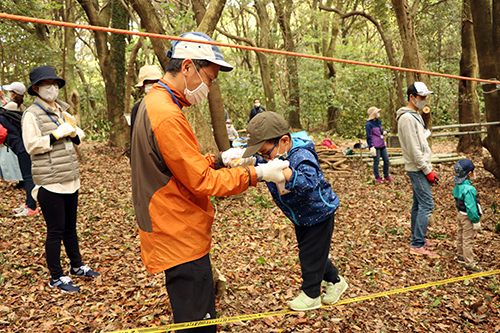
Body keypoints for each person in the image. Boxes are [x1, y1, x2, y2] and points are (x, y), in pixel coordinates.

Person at [130, 32, 289, 332]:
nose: (210, 87)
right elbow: (201, 182)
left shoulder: (155, 102)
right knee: (198, 325)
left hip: (173, 227)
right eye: (210, 78)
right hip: (179, 235)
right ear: (187, 67)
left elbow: (177, 167)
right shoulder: (166, 114)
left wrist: (218, 158)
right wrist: (257, 174)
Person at [242, 112, 348, 311]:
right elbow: (265, 162)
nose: (264, 158)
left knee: (309, 255)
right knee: (315, 253)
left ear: (284, 141)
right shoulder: (275, 153)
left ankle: (311, 294)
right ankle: (335, 281)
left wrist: (285, 171)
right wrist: (252, 162)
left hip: (319, 212)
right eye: (261, 155)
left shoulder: (301, 155)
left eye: (265, 153)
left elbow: (309, 181)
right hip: (300, 214)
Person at [22, 66, 99, 292]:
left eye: (55, 83)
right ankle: (56, 276)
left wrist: (74, 133)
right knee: (55, 230)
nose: (52, 88)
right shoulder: (31, 114)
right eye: (47, 84)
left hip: (70, 178)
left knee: (70, 228)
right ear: (36, 88)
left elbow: (78, 136)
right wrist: (56, 134)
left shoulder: (62, 111)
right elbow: (31, 146)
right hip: (50, 181)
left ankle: (77, 266)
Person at [396, 82, 439, 258]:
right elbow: (413, 149)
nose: (423, 100)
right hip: (417, 168)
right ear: (412, 97)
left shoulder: (416, 116)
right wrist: (427, 170)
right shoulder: (406, 118)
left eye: (425, 97)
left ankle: (417, 237)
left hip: (420, 166)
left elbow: (419, 141)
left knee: (419, 203)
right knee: (427, 204)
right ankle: (417, 244)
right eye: (421, 97)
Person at [0, 82, 38, 216]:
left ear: (14, 93)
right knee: (27, 176)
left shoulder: (11, 105)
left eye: (10, 91)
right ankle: (28, 203)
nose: (8, 93)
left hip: (22, 146)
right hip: (23, 145)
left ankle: (32, 208)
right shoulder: (21, 106)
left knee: (28, 177)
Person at [453, 159, 483, 272]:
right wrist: (475, 220)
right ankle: (469, 263)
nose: (474, 174)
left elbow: (457, 201)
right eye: (473, 172)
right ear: (469, 173)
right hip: (467, 218)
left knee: (460, 235)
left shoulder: (458, 186)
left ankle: (461, 255)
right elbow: (471, 207)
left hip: (460, 214)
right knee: (467, 240)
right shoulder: (469, 189)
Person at [130, 65, 163, 140]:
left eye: (155, 81)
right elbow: (134, 137)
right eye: (149, 82)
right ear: (143, 86)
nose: (153, 85)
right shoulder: (137, 108)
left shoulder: (169, 104)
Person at [365, 106, 394, 182]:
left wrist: (384, 132)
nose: (378, 114)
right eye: (377, 112)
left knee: (386, 160)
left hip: (382, 144)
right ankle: (377, 177)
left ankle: (386, 175)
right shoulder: (368, 124)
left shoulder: (378, 121)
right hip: (375, 145)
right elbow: (368, 136)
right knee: (376, 161)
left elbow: (380, 131)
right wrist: (371, 146)